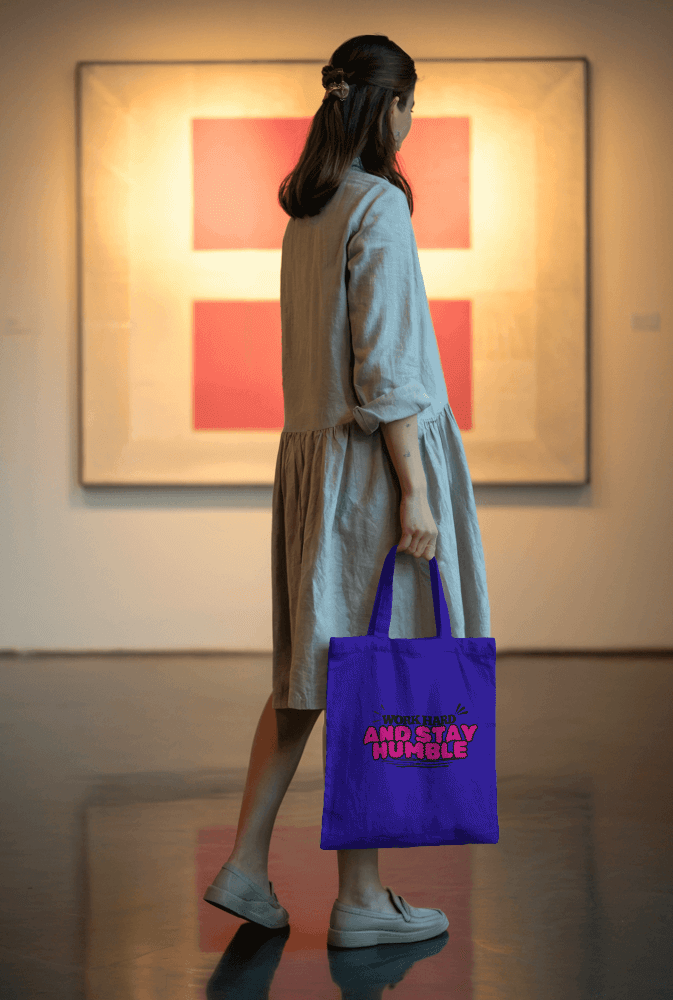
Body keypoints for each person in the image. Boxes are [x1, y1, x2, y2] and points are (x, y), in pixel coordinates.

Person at [204, 34, 490, 948]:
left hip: (315, 469)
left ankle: (248, 864)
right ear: (394, 106)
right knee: (375, 673)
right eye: (413, 105)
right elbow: (390, 369)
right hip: (371, 473)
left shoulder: (311, 212)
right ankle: (363, 903)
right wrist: (418, 490)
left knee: (312, 675)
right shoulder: (378, 208)